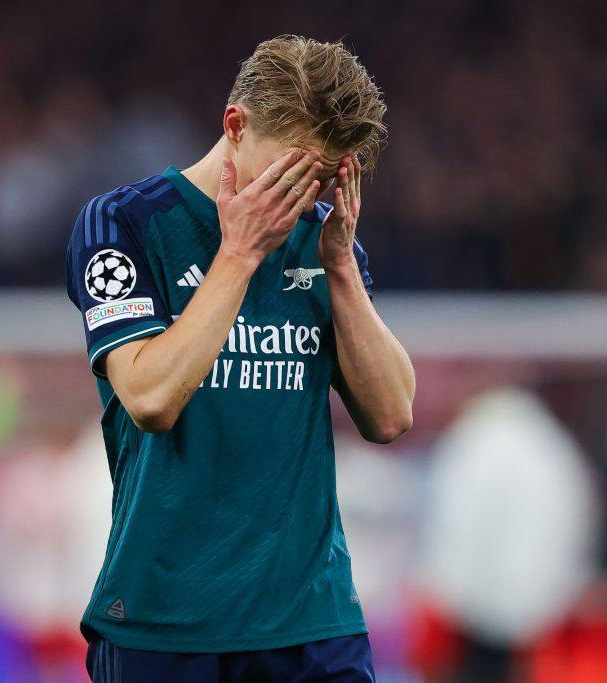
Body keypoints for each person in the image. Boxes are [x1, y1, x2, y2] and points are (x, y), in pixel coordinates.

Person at [65, 35, 415, 683]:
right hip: (166, 622)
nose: (306, 195)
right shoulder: (124, 225)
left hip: (313, 622)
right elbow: (149, 398)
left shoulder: (322, 241)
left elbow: (392, 414)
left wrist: (339, 262)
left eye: (325, 178)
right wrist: (239, 254)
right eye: (293, 172)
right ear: (235, 125)